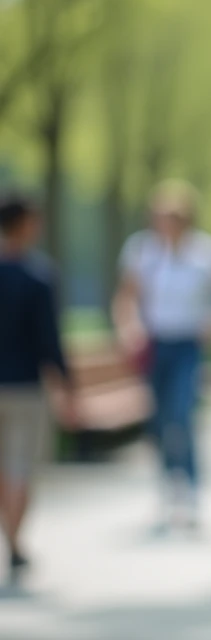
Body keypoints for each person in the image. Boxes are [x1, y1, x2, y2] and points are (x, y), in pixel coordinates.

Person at [111, 180, 211, 532]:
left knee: (182, 415)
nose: (164, 222)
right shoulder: (142, 251)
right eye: (159, 216)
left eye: (172, 216)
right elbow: (126, 297)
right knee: (158, 420)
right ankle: (167, 491)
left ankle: (190, 490)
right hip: (155, 345)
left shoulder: (206, 253)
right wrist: (129, 328)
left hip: (187, 344)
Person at [0, 193, 76, 582]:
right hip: (25, 387)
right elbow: (50, 339)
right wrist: (66, 385)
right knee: (19, 469)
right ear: (26, 224)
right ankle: (14, 545)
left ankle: (10, 539)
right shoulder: (38, 276)